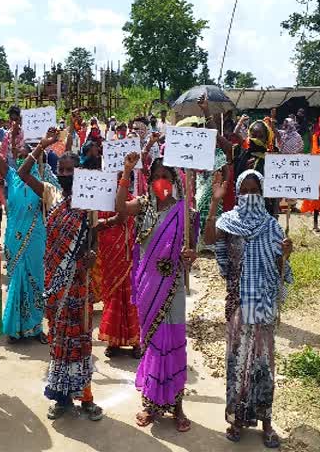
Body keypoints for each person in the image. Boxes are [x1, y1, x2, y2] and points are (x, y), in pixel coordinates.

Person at [17, 129, 103, 422]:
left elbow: (93, 238)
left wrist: (92, 255)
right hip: (54, 278)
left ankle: (87, 397)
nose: (66, 174)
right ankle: (61, 397)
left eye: (70, 170)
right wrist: (42, 145)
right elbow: (22, 172)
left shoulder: (89, 199)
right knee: (58, 339)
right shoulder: (51, 193)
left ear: (78, 171)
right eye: (62, 170)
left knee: (80, 339)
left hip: (79, 281)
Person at [204, 170, 293, 449]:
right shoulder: (229, 222)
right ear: (239, 194)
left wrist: (285, 256)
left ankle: (266, 421)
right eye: (246, 191)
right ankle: (237, 418)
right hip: (238, 303)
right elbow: (208, 240)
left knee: (263, 365)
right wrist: (215, 203)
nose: (251, 196)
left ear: (263, 194)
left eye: (256, 191)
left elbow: (281, 272)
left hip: (263, 304)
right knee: (237, 362)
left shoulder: (273, 226)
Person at [117, 152, 197, 431]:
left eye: (167, 176)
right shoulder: (144, 206)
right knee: (153, 343)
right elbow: (120, 208)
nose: (162, 181)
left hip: (172, 287)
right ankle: (150, 404)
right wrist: (127, 171)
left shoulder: (185, 212)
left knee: (173, 342)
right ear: (149, 181)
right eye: (157, 177)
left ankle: (177, 405)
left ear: (174, 180)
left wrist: (190, 256)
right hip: (148, 285)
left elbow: (192, 251)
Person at [0, 121, 52, 343]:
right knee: (16, 281)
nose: (24, 158)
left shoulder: (43, 182)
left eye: (28, 155)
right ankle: (14, 328)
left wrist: (42, 147)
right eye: (22, 155)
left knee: (36, 281)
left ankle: (35, 328)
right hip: (14, 237)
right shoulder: (11, 176)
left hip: (35, 239)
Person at [94, 168, 140, 359]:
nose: (118, 180)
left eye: (123, 177)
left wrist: (102, 223)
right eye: (116, 176)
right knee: (112, 296)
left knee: (129, 296)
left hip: (127, 255)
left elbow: (121, 218)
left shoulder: (133, 201)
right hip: (108, 253)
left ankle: (136, 341)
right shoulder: (100, 198)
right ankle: (114, 341)